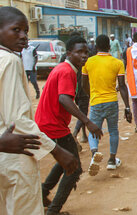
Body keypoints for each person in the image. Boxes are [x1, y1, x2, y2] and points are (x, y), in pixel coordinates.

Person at [0, 7, 78, 215]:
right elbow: (18, 120)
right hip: (16, 154)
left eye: (25, 31)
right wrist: (57, 151)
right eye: (16, 30)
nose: (24, 37)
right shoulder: (9, 60)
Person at [36, 36, 103, 215]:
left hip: (48, 122)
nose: (84, 56)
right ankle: (53, 211)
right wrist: (87, 122)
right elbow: (64, 99)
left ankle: (43, 192)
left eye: (86, 52)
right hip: (53, 125)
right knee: (74, 168)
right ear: (69, 53)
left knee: (66, 158)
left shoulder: (66, 69)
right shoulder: (67, 71)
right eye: (79, 52)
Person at [82, 34, 132, 175]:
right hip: (111, 101)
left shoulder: (88, 62)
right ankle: (111, 160)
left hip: (96, 101)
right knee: (113, 130)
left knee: (94, 130)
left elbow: (83, 84)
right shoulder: (117, 63)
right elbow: (122, 86)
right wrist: (127, 107)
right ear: (109, 46)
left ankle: (94, 154)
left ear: (96, 47)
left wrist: (91, 95)